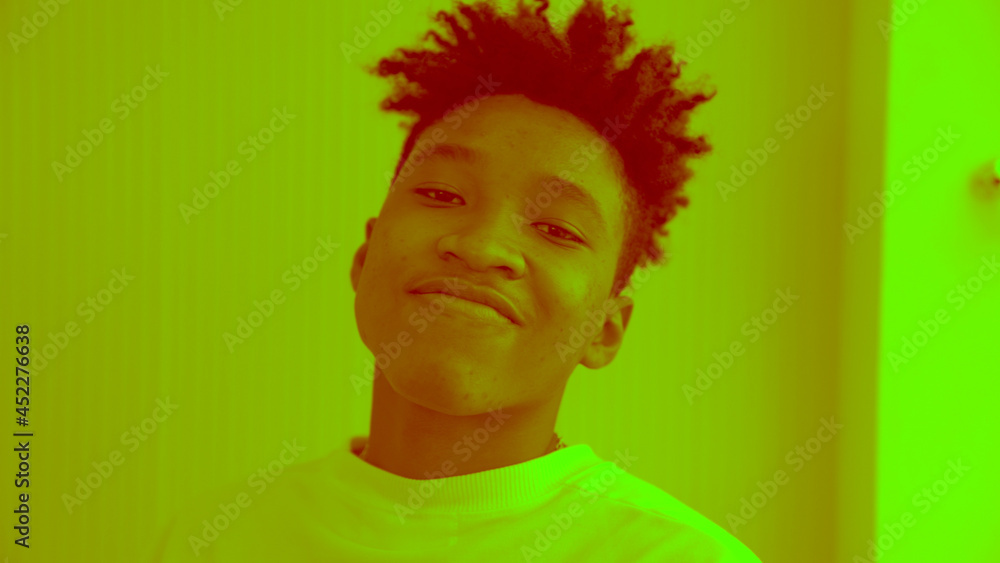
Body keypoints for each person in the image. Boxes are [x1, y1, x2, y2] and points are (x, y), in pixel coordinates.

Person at [152, 0, 762, 560]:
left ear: (606, 327)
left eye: (557, 229)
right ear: (365, 259)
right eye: (442, 194)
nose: (481, 246)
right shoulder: (215, 535)